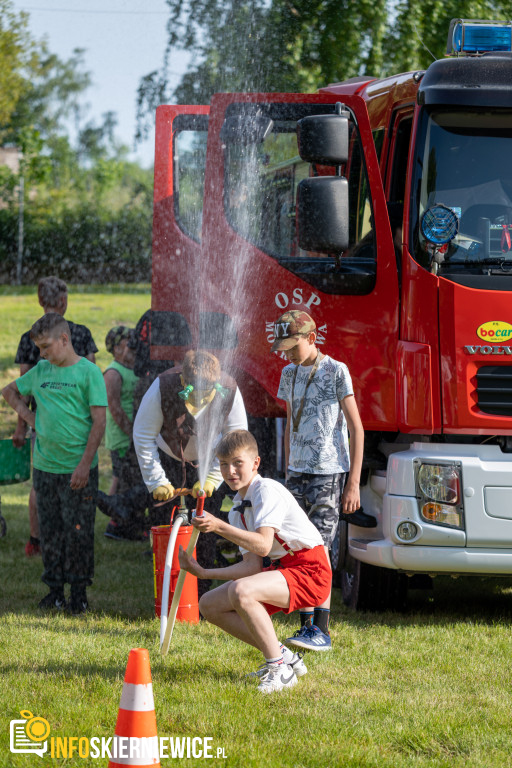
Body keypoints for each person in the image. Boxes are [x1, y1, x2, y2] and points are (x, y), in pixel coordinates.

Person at [178, 429, 331, 694]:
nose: (230, 471)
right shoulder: (239, 505)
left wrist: (217, 526)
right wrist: (203, 573)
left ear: (256, 463)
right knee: (209, 604)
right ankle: (284, 656)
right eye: (224, 464)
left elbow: (262, 544)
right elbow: (252, 567)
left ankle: (279, 669)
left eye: (238, 463)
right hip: (283, 570)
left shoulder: (266, 490)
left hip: (311, 571)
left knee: (242, 591)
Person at [271, 309, 365, 651]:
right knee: (297, 546)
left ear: (312, 338)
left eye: (293, 347)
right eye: (284, 349)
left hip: (327, 472)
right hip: (296, 472)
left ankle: (321, 628)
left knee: (321, 549)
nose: (288, 354)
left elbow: (356, 427)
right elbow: (289, 423)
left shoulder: (336, 371)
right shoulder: (288, 372)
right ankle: (305, 624)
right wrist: (286, 470)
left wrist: (352, 482)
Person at [2, 313, 107, 614]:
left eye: (46, 347)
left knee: (78, 531)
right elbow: (9, 392)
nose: (41, 354)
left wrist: (84, 464)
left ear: (64, 339)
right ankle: (54, 591)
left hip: (78, 469)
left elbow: (99, 422)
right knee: (50, 532)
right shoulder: (40, 371)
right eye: (39, 348)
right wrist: (30, 417)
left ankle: (79, 595)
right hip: (45, 467)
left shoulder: (89, 373)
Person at [133, 350, 247, 589]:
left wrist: (213, 479)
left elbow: (236, 440)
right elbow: (143, 435)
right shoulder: (162, 386)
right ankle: (167, 587)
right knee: (164, 522)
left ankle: (203, 590)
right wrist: (157, 482)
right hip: (167, 459)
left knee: (206, 524)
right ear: (184, 381)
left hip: (209, 461)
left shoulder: (229, 389)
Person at [12, 276, 98, 558]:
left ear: (40, 300)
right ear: (64, 301)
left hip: (44, 421)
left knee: (43, 486)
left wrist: (23, 425)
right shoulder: (81, 332)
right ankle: (67, 541)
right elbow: (90, 382)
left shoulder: (29, 335)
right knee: (57, 485)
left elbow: (23, 389)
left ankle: (36, 539)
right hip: (76, 425)